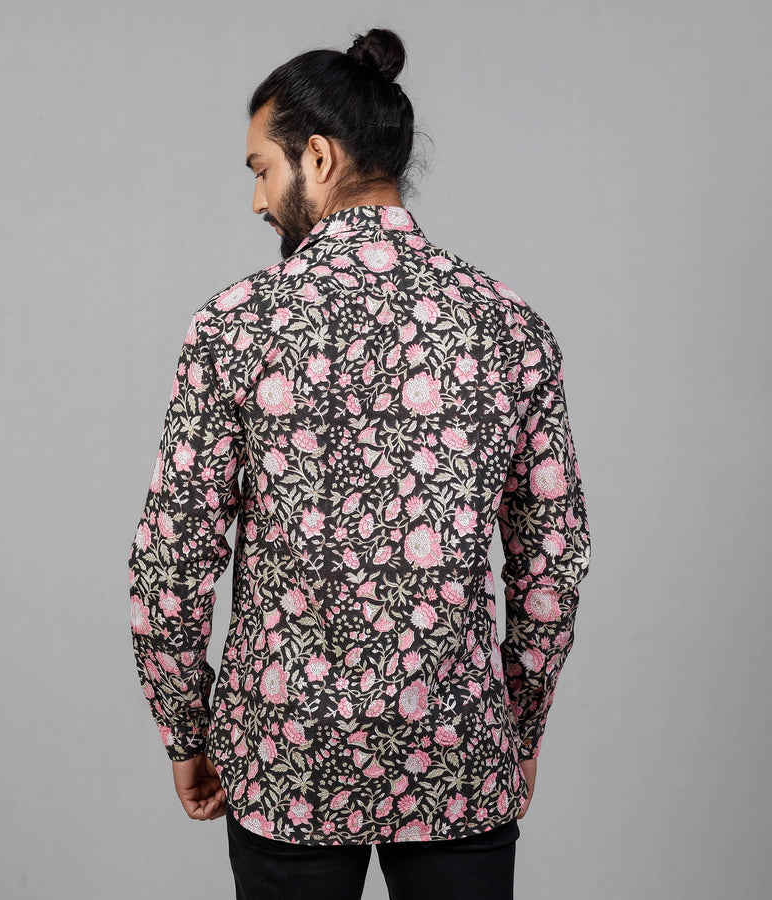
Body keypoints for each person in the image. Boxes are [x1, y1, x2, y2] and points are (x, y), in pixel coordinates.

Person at [129, 27, 591, 900]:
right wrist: (519, 729)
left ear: (318, 157)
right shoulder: (508, 325)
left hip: (284, 758)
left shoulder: (236, 325)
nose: (257, 200)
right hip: (458, 755)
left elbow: (171, 559)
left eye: (261, 170)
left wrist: (186, 730)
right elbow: (552, 565)